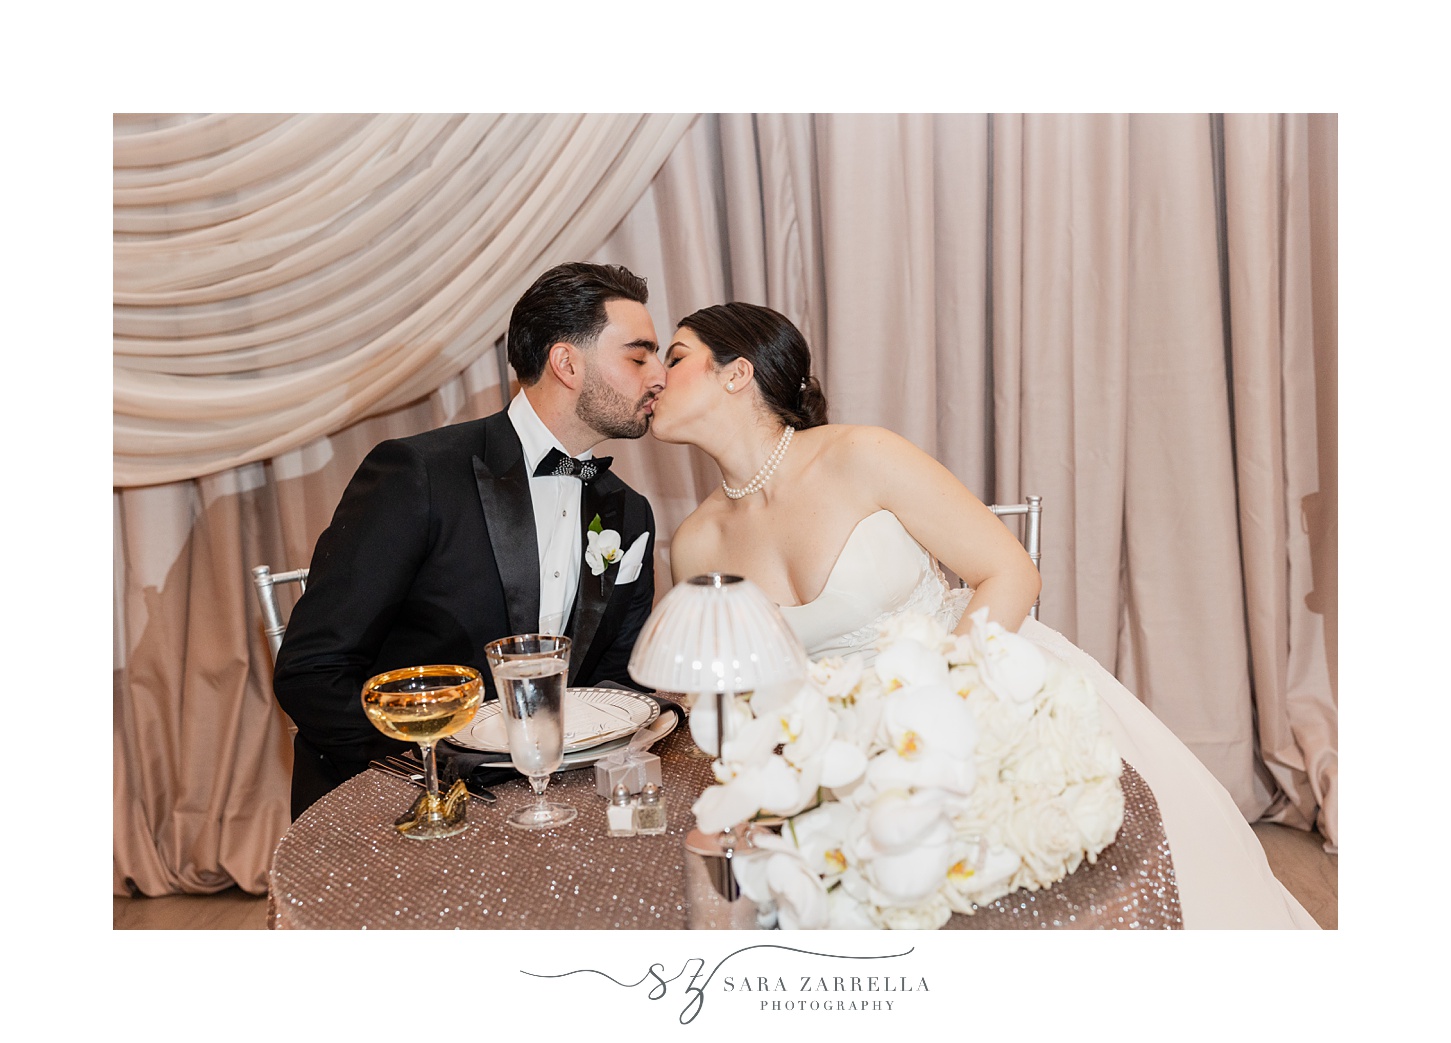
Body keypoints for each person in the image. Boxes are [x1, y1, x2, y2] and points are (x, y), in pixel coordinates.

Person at [650, 301, 1319, 929]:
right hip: (842, 762)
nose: (655, 375)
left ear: (736, 373)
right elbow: (731, 696)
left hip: (976, 688)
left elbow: (1009, 572)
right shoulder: (695, 541)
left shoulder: (861, 455)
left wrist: (944, 704)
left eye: (674, 357)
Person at [273, 262, 665, 819]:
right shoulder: (418, 474)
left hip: (557, 800)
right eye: (638, 355)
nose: (660, 376)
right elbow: (312, 671)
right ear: (567, 363)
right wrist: (432, 774)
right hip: (403, 798)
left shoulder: (629, 513)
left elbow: (617, 682)